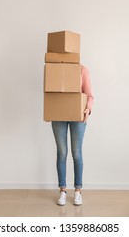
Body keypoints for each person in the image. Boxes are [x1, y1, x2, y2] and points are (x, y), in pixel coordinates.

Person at [51, 64, 94, 206]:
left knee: (77, 153)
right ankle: (63, 190)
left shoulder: (82, 70)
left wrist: (88, 109)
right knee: (62, 152)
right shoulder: (54, 69)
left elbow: (89, 95)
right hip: (59, 115)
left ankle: (77, 191)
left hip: (77, 116)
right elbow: (50, 91)